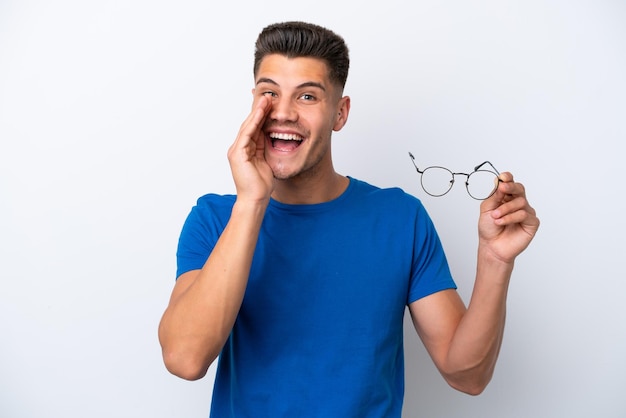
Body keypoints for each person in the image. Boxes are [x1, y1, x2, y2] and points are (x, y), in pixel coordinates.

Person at [158, 21, 540, 417]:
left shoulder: (399, 218)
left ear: (340, 114)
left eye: (307, 96)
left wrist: (495, 260)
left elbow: (467, 375)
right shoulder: (215, 218)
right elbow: (185, 358)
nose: (283, 112)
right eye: (269, 93)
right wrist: (253, 201)